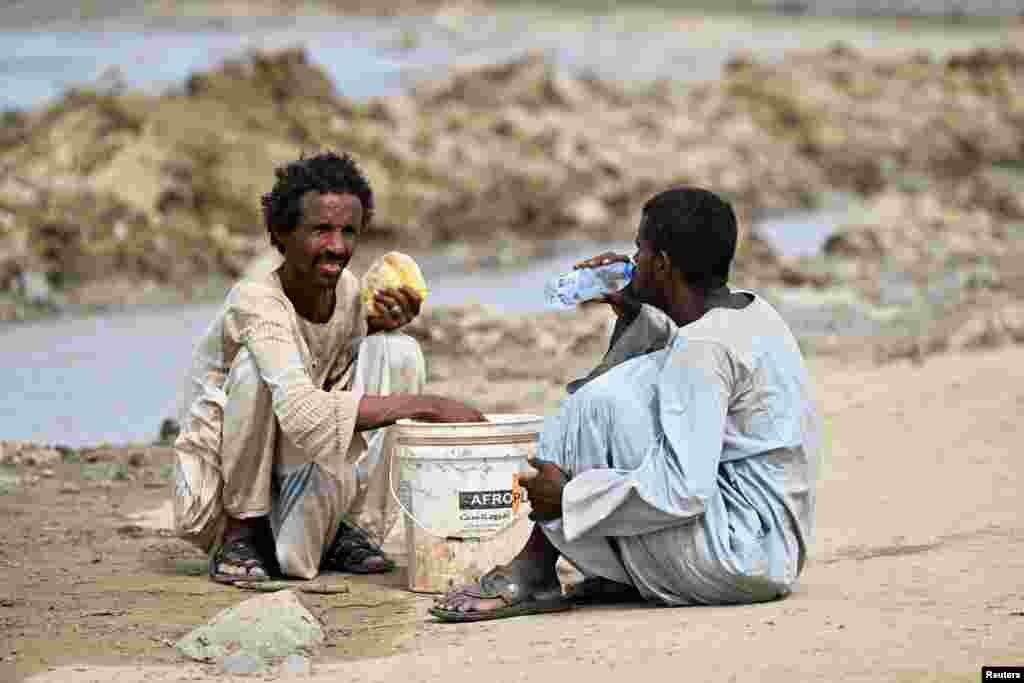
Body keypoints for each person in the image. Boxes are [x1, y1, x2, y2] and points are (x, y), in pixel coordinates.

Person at [431, 187, 821, 621]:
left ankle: (534, 568)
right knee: (610, 399)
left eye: (640, 251)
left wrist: (568, 499)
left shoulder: (703, 347)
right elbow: (652, 374)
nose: (632, 262)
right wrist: (636, 310)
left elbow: (683, 489)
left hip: (735, 556)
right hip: (775, 547)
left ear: (663, 264)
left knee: (594, 408)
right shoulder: (751, 313)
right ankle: (571, 567)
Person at [173, 151, 485, 584]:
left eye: (348, 232)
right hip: (221, 493)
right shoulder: (256, 300)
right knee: (252, 369)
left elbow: (331, 359)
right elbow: (300, 411)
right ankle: (241, 535)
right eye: (320, 230)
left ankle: (350, 529)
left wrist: (377, 326)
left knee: (399, 351)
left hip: (295, 473)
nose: (337, 247)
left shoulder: (348, 293)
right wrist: (428, 406)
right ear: (281, 234)